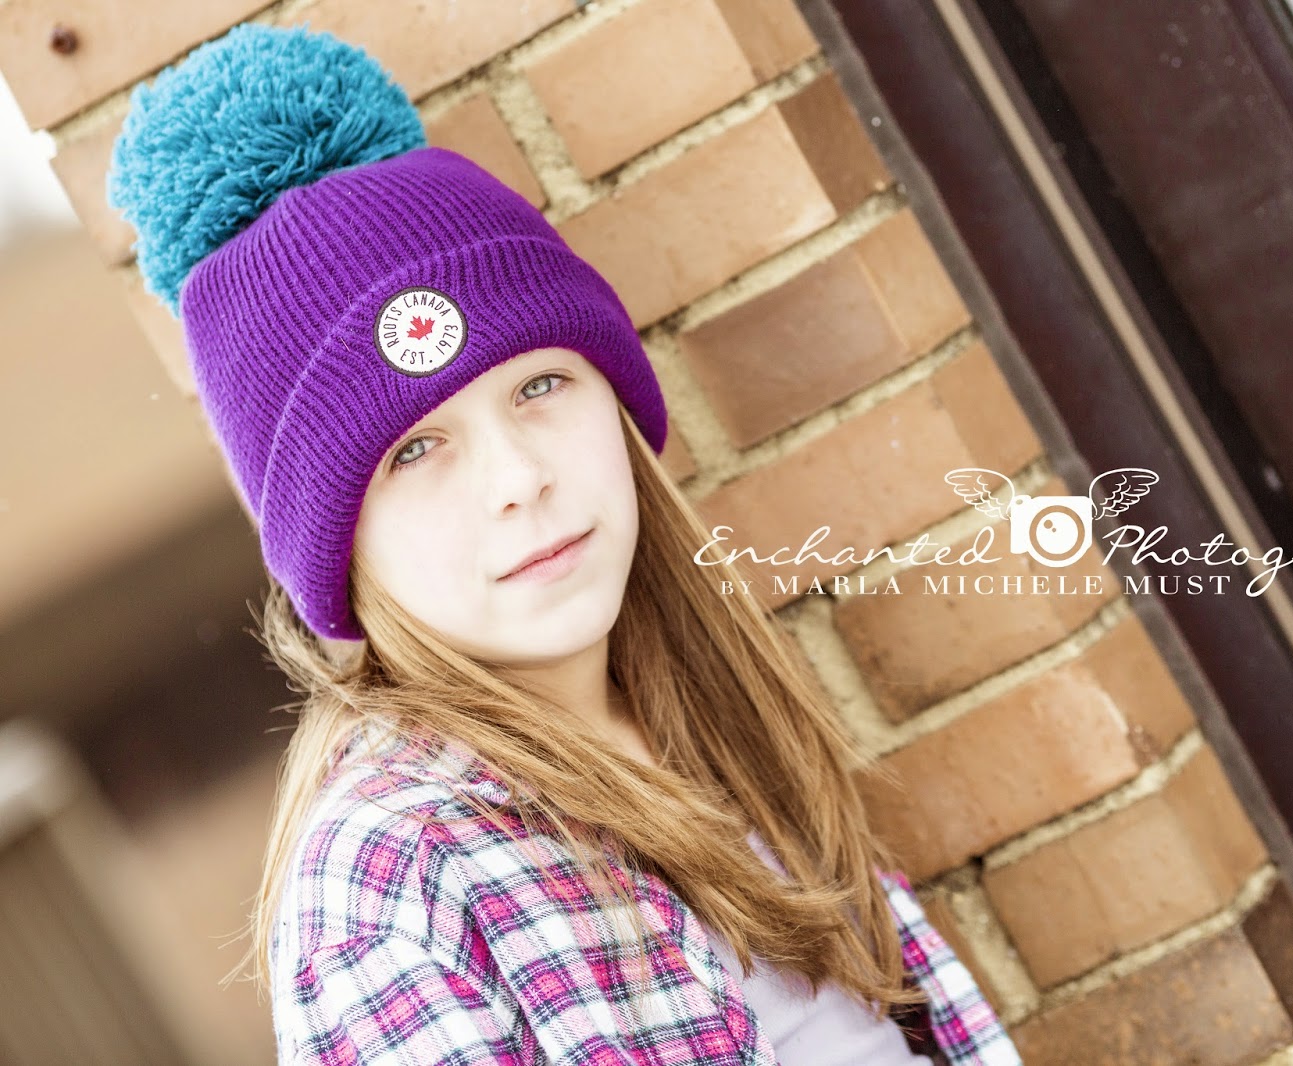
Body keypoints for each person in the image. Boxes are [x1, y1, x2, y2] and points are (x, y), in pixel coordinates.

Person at [107, 22, 1022, 1066]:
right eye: (414, 450)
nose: (518, 479)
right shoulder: (394, 896)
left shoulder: (713, 725)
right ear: (335, 538)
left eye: (539, 385)